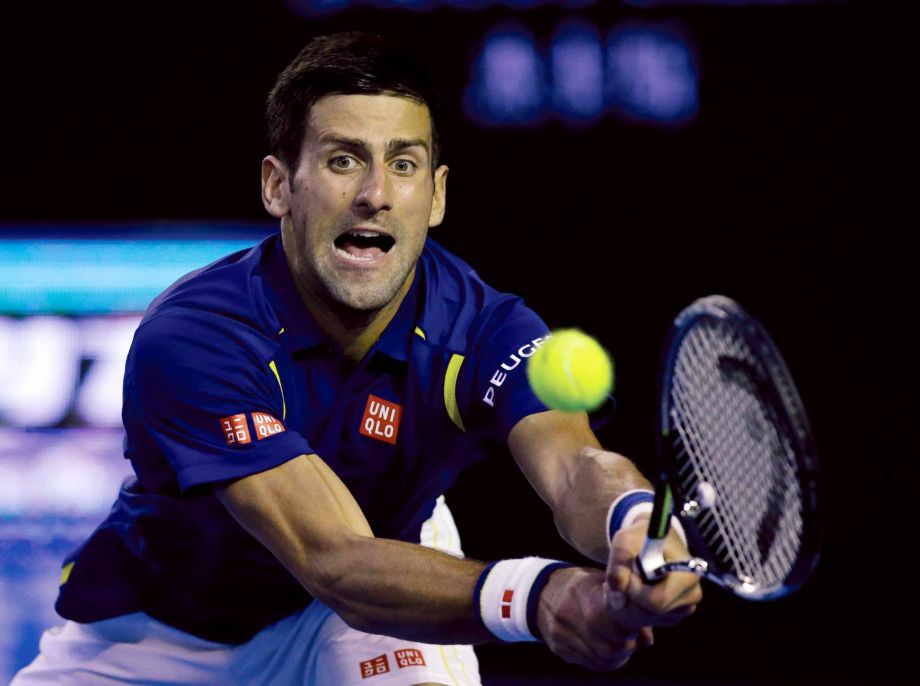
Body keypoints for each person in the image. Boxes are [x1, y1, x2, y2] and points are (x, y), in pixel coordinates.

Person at [12, 32, 701, 685]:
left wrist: (634, 521)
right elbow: (334, 560)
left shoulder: (483, 327)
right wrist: (541, 596)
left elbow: (578, 466)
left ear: (435, 196)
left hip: (384, 602)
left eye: (403, 164)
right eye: (344, 160)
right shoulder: (195, 338)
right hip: (161, 634)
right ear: (278, 186)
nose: (375, 193)